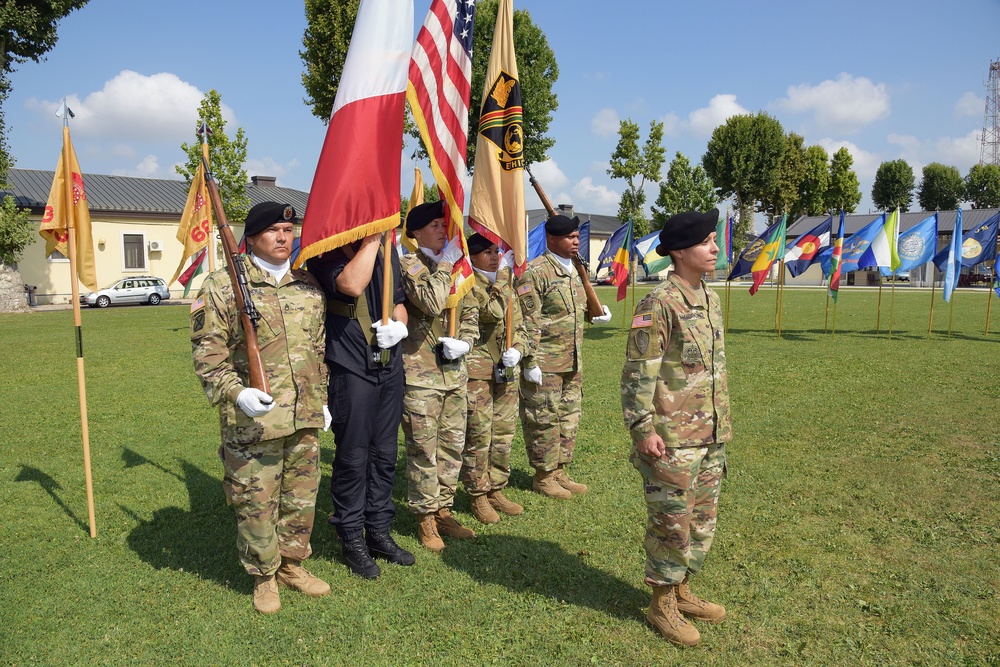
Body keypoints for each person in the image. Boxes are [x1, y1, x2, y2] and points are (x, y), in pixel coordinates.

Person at [191, 201, 330, 614]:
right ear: (250, 238)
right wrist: (238, 393)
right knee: (255, 500)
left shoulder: (307, 285)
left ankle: (291, 565)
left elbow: (317, 350)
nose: (283, 237)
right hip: (253, 422)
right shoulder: (220, 285)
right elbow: (207, 358)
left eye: (288, 230)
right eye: (272, 231)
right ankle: (264, 576)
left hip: (303, 415)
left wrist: (321, 400)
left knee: (300, 498)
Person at [619, 209, 730, 647]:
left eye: (714, 241)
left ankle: (682, 589)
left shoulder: (710, 298)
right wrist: (643, 429)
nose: (715, 248)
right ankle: (660, 602)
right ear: (680, 252)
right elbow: (637, 374)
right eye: (707, 242)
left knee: (702, 521)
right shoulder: (658, 304)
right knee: (672, 524)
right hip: (670, 439)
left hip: (711, 434)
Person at [308, 231, 414, 580]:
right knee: (353, 456)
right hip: (350, 364)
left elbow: (399, 301)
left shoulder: (388, 249)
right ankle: (351, 534)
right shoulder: (326, 250)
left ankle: (379, 530)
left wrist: (399, 327)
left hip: (389, 364)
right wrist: (370, 241)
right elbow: (351, 285)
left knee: (384, 453)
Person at [399, 200, 479, 551]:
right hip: (420, 375)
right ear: (415, 233)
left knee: (452, 448)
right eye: (434, 224)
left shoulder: (461, 269)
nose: (443, 230)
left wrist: (466, 342)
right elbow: (431, 302)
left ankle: (445, 510)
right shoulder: (408, 263)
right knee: (423, 450)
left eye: (444, 223)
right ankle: (425, 517)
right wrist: (445, 264)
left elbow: (472, 312)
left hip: (454, 375)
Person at [515, 214, 611, 499]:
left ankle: (559, 470)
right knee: (543, 419)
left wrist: (597, 313)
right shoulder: (536, 272)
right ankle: (543, 476)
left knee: (569, 418)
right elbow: (527, 320)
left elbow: (574, 311)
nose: (576, 242)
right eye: (570, 238)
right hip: (545, 362)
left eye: (577, 237)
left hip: (573, 360)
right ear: (552, 239)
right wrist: (530, 361)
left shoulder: (575, 270)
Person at [460, 233, 527, 524]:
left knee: (503, 432)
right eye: (486, 252)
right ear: (472, 256)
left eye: (495, 251)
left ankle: (497, 487)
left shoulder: (506, 283)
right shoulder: (468, 282)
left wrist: (520, 349)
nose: (494, 256)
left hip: (506, 368)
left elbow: (522, 324)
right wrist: (502, 276)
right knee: (479, 433)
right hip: (478, 370)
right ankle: (478, 494)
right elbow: (492, 311)